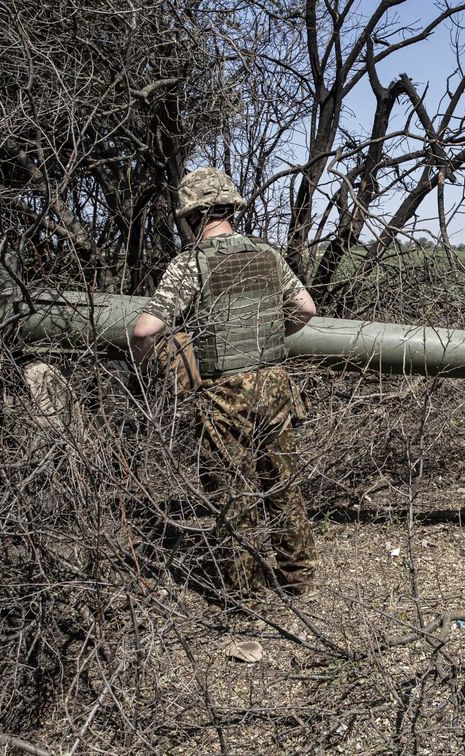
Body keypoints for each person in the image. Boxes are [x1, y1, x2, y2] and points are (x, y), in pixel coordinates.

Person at [130, 168, 318, 595]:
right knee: (282, 482)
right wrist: (266, 335)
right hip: (275, 385)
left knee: (234, 495)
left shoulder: (191, 263)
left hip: (222, 393)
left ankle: (245, 594)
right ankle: (298, 579)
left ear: (193, 215)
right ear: (231, 207)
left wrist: (148, 366)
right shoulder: (267, 255)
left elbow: (144, 330)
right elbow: (306, 309)